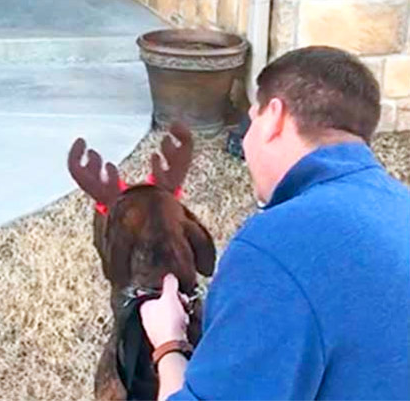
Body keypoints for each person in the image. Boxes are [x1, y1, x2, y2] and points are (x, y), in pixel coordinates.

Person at [140, 46, 410, 400]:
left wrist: (169, 343)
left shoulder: (277, 247)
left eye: (251, 120)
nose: (246, 141)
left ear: (274, 118)